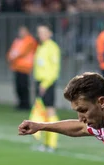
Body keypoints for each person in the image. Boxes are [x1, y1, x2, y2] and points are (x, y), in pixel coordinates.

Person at [32, 24, 61, 152]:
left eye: (44, 32)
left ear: (50, 33)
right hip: (39, 82)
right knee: (42, 113)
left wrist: (45, 83)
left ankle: (52, 144)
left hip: (47, 83)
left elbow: (54, 69)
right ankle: (45, 143)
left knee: (50, 111)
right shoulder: (41, 46)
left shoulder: (52, 47)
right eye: (39, 32)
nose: (41, 35)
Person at [7, 26, 38, 110]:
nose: (21, 33)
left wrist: (12, 57)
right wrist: (10, 57)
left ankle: (25, 104)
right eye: (20, 31)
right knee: (18, 87)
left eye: (23, 31)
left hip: (25, 67)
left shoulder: (29, 40)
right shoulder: (17, 41)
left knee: (24, 86)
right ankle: (20, 103)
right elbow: (12, 51)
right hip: (16, 66)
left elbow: (22, 52)